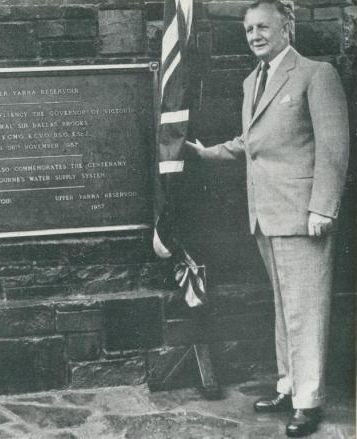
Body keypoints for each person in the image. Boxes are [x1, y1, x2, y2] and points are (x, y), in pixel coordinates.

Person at [185, 0, 349, 437]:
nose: (254, 35)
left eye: (263, 27)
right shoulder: (251, 80)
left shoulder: (317, 74)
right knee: (284, 308)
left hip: (302, 216)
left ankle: (309, 400)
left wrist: (322, 207)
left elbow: (334, 146)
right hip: (265, 214)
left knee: (306, 309)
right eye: (249, 29)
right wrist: (207, 153)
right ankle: (288, 385)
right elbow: (250, 142)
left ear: (286, 27)